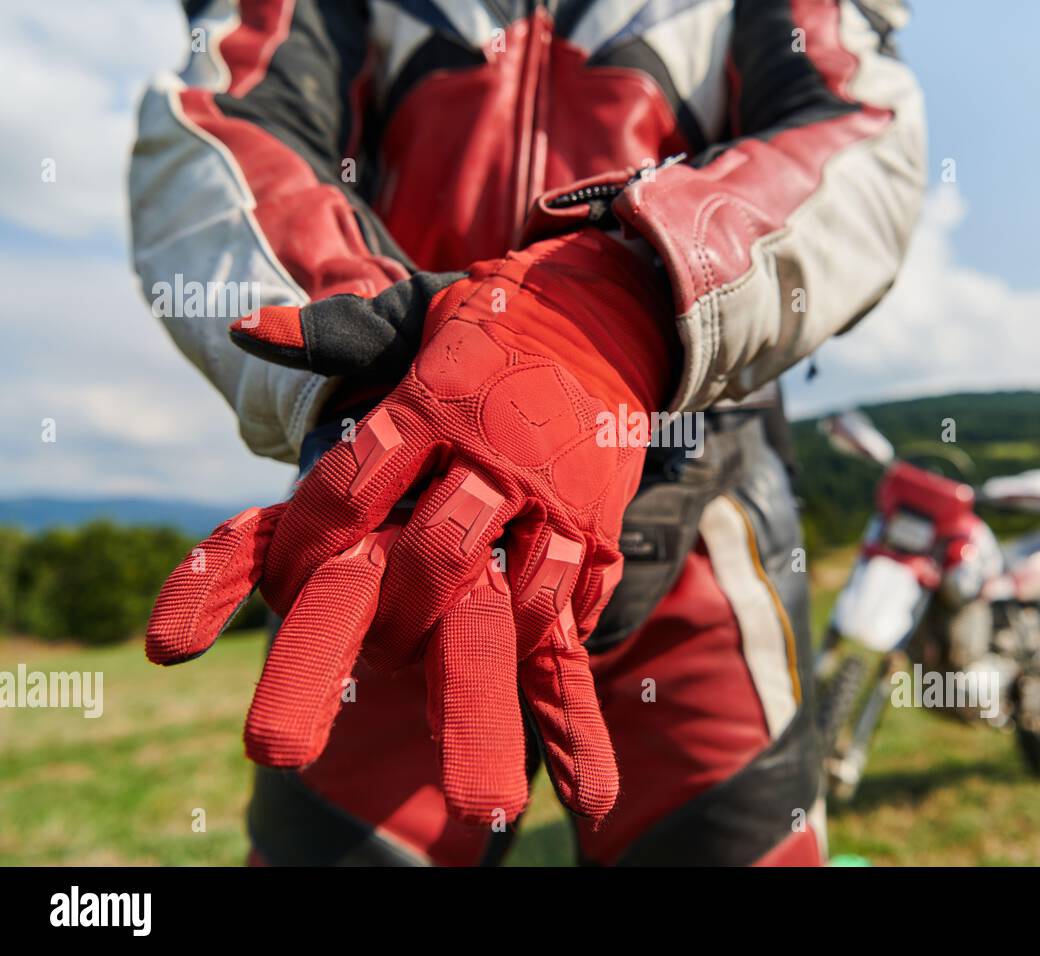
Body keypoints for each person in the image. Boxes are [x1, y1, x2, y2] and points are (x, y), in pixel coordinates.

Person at [130, 0, 926, 866]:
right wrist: (384, 343)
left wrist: (628, 297)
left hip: (695, 528)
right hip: (399, 525)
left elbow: (859, 135)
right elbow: (218, 127)